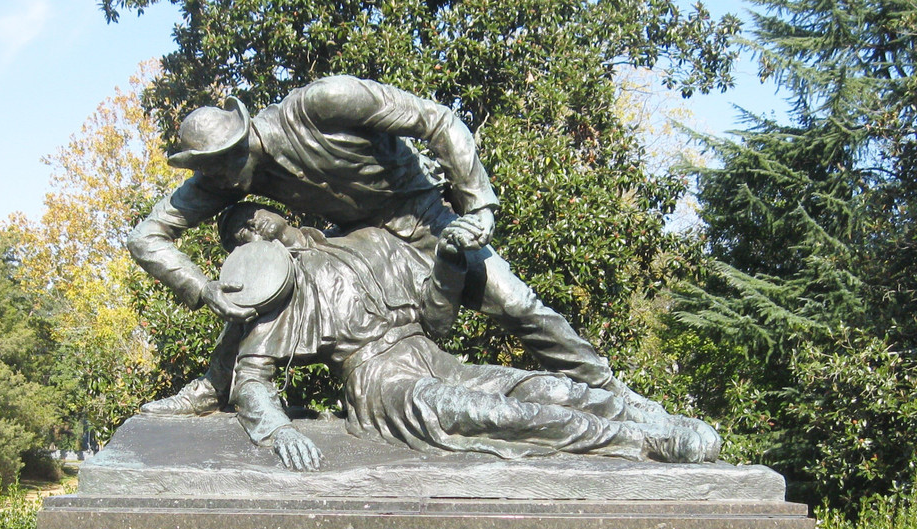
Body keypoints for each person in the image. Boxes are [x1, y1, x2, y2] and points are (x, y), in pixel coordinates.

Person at [127, 75, 663, 419]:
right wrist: (204, 288)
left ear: (242, 139)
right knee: (268, 273)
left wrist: (477, 206)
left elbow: (437, 120)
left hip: (426, 223)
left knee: (521, 307)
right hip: (367, 249)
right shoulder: (227, 178)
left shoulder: (323, 104)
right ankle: (217, 385)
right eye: (206, 169)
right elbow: (146, 237)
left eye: (219, 163)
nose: (214, 180)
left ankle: (615, 394)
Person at [216, 204, 717, 471]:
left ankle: (640, 412)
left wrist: (450, 260)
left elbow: (436, 320)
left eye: (251, 215)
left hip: (428, 351)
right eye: (237, 234)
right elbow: (252, 379)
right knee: (497, 415)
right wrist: (278, 431)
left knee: (541, 388)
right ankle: (644, 442)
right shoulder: (282, 292)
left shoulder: (370, 242)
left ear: (282, 213)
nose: (249, 227)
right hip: (380, 380)